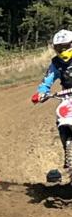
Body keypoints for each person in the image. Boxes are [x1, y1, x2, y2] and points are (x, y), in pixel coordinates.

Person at [32, 28, 72, 169]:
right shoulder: (56, 64)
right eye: (59, 48)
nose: (62, 51)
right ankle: (68, 150)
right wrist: (41, 93)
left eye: (65, 47)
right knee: (61, 118)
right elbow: (47, 81)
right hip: (67, 96)